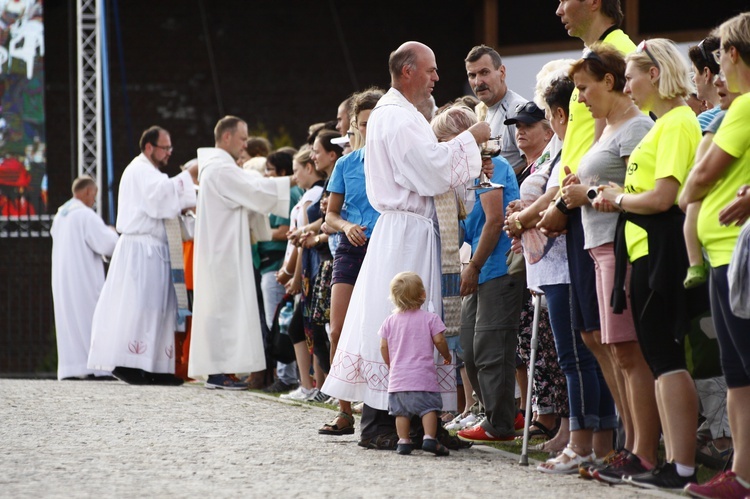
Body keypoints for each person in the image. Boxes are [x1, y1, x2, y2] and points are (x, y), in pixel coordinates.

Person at [321, 41, 490, 450]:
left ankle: (421, 423)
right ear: (409, 71)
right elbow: (430, 170)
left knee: (421, 320)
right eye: (431, 70)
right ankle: (381, 424)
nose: (436, 78)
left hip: (414, 230)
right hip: (405, 234)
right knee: (402, 321)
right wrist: (472, 138)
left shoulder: (403, 115)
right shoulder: (395, 117)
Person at [598, 38, 703, 491]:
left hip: (662, 249)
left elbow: (666, 197)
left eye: (632, 76)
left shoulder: (677, 122)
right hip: (644, 249)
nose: (628, 86)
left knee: (664, 355)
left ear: (655, 73)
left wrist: (617, 197)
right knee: (660, 357)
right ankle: (671, 461)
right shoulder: (665, 123)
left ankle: (681, 464)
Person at [562, 44, 659, 482]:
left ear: (609, 81)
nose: (579, 97)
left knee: (626, 350)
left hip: (619, 246)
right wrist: (578, 188)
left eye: (584, 88)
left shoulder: (635, 127)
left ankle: (640, 448)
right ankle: (629, 444)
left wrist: (588, 195)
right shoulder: (609, 126)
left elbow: (637, 194)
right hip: (599, 245)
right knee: (616, 351)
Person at [423, 105, 523, 445]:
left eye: (442, 141)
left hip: (497, 268)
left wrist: (474, 266)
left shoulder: (492, 166)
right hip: (478, 272)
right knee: (469, 347)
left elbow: (495, 222)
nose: (440, 149)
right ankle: (491, 413)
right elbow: (467, 228)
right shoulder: (462, 175)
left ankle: (501, 424)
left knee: (491, 348)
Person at [680, 12, 750, 498]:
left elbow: (695, 183)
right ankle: (741, 473)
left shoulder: (742, 110)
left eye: (722, 51)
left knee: (743, 368)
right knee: (737, 373)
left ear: (736, 54)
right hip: (722, 256)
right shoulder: (737, 109)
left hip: (734, 255)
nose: (717, 63)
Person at [188, 116, 292, 389]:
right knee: (225, 310)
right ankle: (219, 372)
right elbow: (253, 189)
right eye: (243, 138)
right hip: (223, 253)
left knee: (225, 309)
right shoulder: (220, 169)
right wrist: (291, 181)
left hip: (222, 249)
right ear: (226, 138)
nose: (246, 145)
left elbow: (249, 191)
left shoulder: (217, 167)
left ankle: (223, 371)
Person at [88, 126, 196, 386]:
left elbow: (166, 201)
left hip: (156, 249)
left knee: (157, 307)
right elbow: (159, 199)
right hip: (140, 250)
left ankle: (155, 365)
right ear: (149, 147)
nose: (169, 152)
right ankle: (127, 363)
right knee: (138, 306)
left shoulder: (151, 172)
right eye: (165, 147)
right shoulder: (139, 170)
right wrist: (188, 176)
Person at [318, 87, 384, 435]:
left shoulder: (394, 160)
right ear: (355, 126)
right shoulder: (345, 164)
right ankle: (343, 411)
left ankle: (381, 405)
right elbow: (329, 215)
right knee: (338, 329)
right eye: (362, 123)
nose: (368, 130)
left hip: (385, 248)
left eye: (375, 122)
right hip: (350, 248)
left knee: (380, 330)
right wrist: (345, 226)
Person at [51, 175, 119, 380]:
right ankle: (96, 367)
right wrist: (112, 232)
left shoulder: (60, 215)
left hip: (63, 280)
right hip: (84, 280)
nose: (94, 200)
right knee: (92, 319)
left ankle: (73, 368)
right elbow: (108, 244)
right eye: (95, 195)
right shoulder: (85, 215)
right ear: (88, 192)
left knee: (69, 323)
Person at [379, 271, 452, 456]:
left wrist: (390, 364)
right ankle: (429, 438)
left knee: (401, 412)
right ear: (423, 294)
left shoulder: (389, 321)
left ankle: (403, 441)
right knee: (428, 409)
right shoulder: (430, 318)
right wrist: (446, 355)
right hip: (423, 376)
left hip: (398, 379)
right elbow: (440, 341)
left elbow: (383, 346)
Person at [259, 149, 303, 394]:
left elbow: (284, 229)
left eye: (270, 170)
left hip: (277, 265)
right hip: (276, 264)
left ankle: (287, 377)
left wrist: (254, 231)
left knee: (278, 322)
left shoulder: (285, 193)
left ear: (283, 173)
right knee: (281, 321)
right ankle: (288, 375)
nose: (266, 175)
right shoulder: (288, 193)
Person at [683, 35, 723, 289]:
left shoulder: (701, 122)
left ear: (706, 73)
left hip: (715, 232)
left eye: (695, 73)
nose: (694, 80)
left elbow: (693, 180)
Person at [465, 44, 527, 176]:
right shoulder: (486, 111)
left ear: (502, 73)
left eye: (484, 72)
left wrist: (501, 182)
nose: (478, 82)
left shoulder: (517, 110)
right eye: (472, 75)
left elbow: (534, 162)